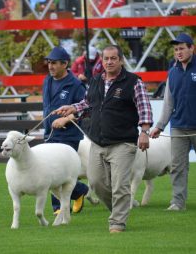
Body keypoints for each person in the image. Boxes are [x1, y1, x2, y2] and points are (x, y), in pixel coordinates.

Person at [54, 45, 153, 233]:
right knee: (96, 183)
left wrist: (144, 132)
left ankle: (117, 223)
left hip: (123, 143)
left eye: (113, 58)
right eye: (106, 59)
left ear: (121, 60)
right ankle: (118, 210)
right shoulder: (96, 80)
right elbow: (88, 103)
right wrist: (73, 108)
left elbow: (144, 108)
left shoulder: (133, 82)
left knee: (119, 185)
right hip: (98, 142)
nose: (109, 62)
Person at [150, 33, 196, 211]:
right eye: (176, 49)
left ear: (191, 48)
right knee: (177, 167)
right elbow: (169, 102)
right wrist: (159, 126)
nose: (179, 52)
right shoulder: (172, 71)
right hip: (178, 128)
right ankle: (178, 202)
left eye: (182, 48)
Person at [43, 46, 89, 215]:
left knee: (59, 171)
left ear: (65, 64)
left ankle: (59, 207)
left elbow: (84, 110)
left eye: (54, 63)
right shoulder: (47, 80)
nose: (50, 66)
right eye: (49, 62)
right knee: (51, 170)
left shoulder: (76, 85)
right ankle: (80, 191)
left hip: (69, 135)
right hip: (50, 133)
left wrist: (65, 119)